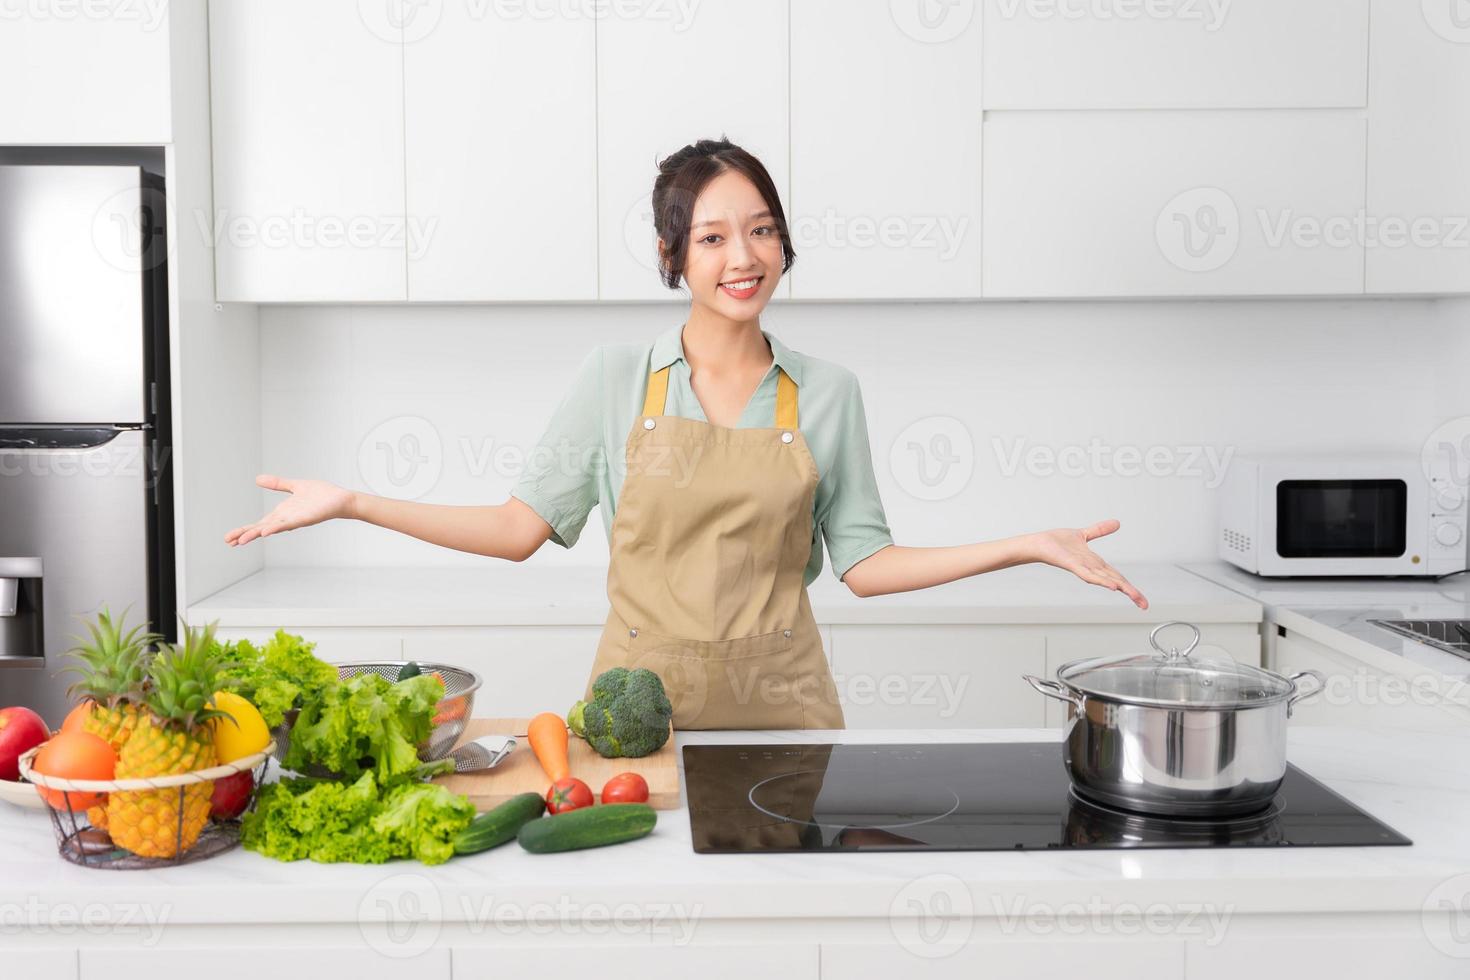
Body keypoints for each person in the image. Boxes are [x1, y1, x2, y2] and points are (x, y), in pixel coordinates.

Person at [224, 137, 1148, 731]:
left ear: (784, 244)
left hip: (786, 716)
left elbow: (866, 565)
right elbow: (514, 533)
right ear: (673, 257)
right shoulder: (615, 379)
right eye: (712, 238)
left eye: (761, 231)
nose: (742, 257)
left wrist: (1027, 544)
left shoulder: (827, 392)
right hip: (637, 714)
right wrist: (353, 502)